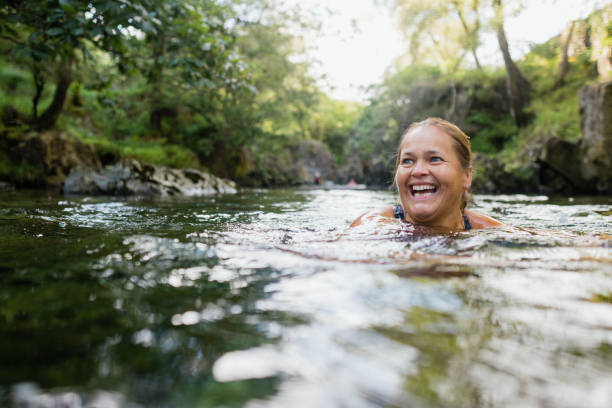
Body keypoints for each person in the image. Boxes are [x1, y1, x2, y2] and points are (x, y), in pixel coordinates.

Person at [350, 117, 502, 230]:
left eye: (435, 159)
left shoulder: (489, 230)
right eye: (408, 161)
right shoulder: (373, 226)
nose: (418, 171)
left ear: (466, 176)